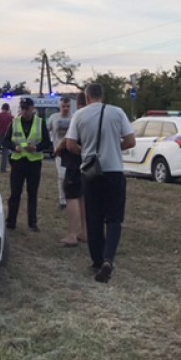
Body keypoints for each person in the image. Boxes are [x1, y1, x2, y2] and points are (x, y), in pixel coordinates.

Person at [66, 84, 135, 283]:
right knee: (114, 219)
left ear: (87, 97)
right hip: (114, 170)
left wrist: (87, 154)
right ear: (102, 95)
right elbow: (130, 141)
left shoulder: (79, 115)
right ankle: (108, 258)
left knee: (93, 217)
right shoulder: (117, 112)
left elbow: (70, 144)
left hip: (91, 172)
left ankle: (96, 260)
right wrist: (114, 147)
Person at [2, 97, 52, 232]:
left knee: (32, 193)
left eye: (26, 108)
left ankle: (32, 222)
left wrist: (36, 147)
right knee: (15, 193)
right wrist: (14, 147)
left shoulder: (40, 123)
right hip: (18, 161)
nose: (24, 111)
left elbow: (47, 143)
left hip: (34, 162)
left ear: (32, 109)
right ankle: (11, 222)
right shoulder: (15, 122)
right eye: (22, 108)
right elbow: (5, 141)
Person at [58, 92, 88, 247]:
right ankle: (84, 231)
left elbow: (69, 141)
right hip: (89, 164)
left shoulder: (79, 116)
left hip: (74, 162)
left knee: (72, 195)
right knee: (83, 196)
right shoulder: (96, 117)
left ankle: (72, 234)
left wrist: (59, 148)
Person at [47, 97, 73, 209]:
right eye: (63, 106)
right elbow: (46, 130)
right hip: (59, 152)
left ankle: (72, 197)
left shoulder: (74, 118)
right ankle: (62, 200)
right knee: (61, 176)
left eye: (68, 106)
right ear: (60, 106)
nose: (66, 108)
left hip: (72, 152)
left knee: (72, 176)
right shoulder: (54, 118)